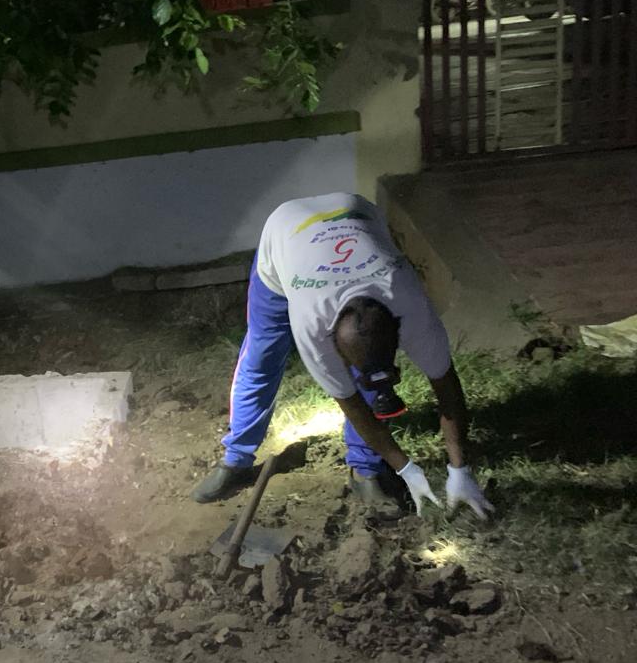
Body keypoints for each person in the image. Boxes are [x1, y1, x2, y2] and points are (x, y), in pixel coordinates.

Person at [192, 191, 494, 519]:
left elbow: (448, 388)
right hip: (285, 233)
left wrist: (460, 469)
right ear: (331, 341)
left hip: (357, 214)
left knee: (370, 378)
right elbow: (352, 405)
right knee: (263, 354)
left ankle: (365, 470)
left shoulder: (412, 308)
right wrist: (406, 468)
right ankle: (236, 458)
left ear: (399, 333)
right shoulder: (311, 326)